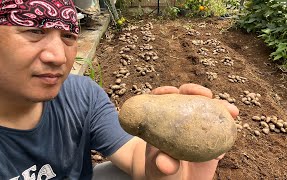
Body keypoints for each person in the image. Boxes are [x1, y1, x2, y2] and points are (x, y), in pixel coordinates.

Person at [0, 0, 239, 179]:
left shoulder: (80, 94)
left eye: (68, 36)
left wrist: (175, 171)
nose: (59, 56)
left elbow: (135, 156)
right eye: (34, 31)